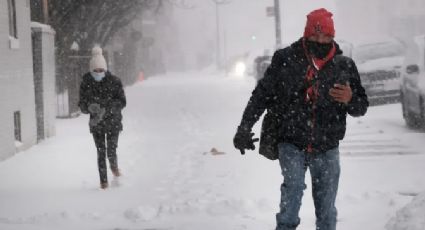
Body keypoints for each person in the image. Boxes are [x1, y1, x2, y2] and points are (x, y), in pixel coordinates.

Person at [233, 8, 369, 230]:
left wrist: (350, 98)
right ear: (307, 35)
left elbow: (361, 107)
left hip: (327, 147)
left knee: (326, 211)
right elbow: (262, 94)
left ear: (332, 37)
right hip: (292, 143)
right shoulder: (286, 59)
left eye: (326, 36)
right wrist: (244, 127)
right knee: (293, 193)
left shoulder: (344, 65)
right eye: (315, 36)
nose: (320, 40)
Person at [78, 46, 127, 189]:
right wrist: (89, 107)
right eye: (95, 70)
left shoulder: (114, 81)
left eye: (101, 70)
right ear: (91, 70)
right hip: (97, 123)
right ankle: (103, 182)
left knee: (111, 150)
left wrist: (109, 107)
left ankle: (114, 167)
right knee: (101, 152)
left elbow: (122, 101)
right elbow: (81, 104)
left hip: (113, 121)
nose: (98, 73)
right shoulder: (86, 83)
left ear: (105, 69)